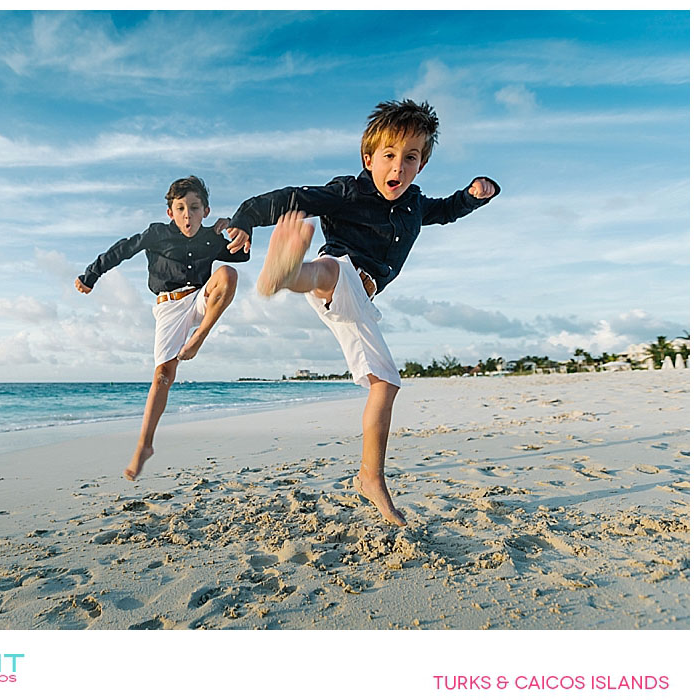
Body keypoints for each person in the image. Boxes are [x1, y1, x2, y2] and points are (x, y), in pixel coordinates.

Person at [226, 99, 500, 526]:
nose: (399, 167)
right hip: (339, 276)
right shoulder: (348, 192)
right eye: (389, 156)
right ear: (368, 159)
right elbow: (295, 196)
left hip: (357, 306)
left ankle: (369, 477)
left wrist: (473, 195)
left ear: (421, 164)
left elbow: (447, 210)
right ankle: (289, 272)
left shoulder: (415, 204)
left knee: (385, 384)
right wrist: (247, 217)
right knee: (331, 270)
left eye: (410, 158)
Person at [76, 176, 251, 481]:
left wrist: (235, 227)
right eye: (181, 208)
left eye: (194, 208)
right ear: (171, 212)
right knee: (162, 376)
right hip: (169, 306)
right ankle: (144, 446)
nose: (188, 215)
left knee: (229, 274)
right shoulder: (157, 233)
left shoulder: (210, 238)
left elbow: (242, 255)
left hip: (200, 298)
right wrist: (91, 275)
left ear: (205, 211)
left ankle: (199, 337)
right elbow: (122, 249)